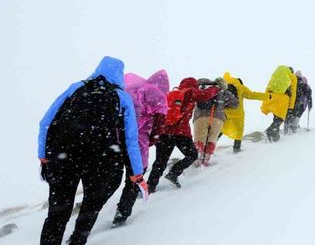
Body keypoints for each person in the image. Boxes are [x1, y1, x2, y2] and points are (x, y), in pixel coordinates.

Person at [38, 56, 146, 245]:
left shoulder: (76, 87)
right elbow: (130, 140)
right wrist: (137, 173)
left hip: (64, 155)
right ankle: (77, 240)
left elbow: (45, 123)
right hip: (101, 158)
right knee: (90, 207)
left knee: (58, 211)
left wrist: (43, 156)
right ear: (119, 75)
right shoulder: (122, 97)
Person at [112, 70, 169, 227]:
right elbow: (158, 125)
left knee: (113, 177)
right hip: (136, 144)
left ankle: (90, 213)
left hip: (113, 141)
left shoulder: (128, 89)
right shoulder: (156, 94)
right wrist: (153, 138)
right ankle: (121, 214)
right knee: (135, 177)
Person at [147, 77, 217, 192]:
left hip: (164, 133)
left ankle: (150, 186)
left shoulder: (171, 94)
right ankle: (173, 173)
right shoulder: (189, 92)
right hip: (180, 133)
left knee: (160, 161)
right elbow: (205, 95)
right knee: (192, 155)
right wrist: (216, 88)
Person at [192, 78, 239, 166]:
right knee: (212, 140)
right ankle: (206, 159)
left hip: (200, 117)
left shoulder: (199, 88)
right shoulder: (222, 90)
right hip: (217, 118)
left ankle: (197, 160)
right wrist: (224, 104)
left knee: (199, 140)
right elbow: (235, 104)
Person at [220, 72, 267, 153]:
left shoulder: (223, 86)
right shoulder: (240, 87)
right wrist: (267, 96)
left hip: (225, 113)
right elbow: (252, 95)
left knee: (220, 130)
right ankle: (236, 148)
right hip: (238, 114)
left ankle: (209, 147)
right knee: (239, 131)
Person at [261, 66, 298, 142]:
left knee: (276, 117)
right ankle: (268, 132)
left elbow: (268, 87)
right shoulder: (292, 77)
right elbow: (293, 92)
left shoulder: (275, 76)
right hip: (283, 99)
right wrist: (291, 106)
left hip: (272, 96)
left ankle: (275, 137)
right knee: (280, 119)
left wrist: (265, 101)